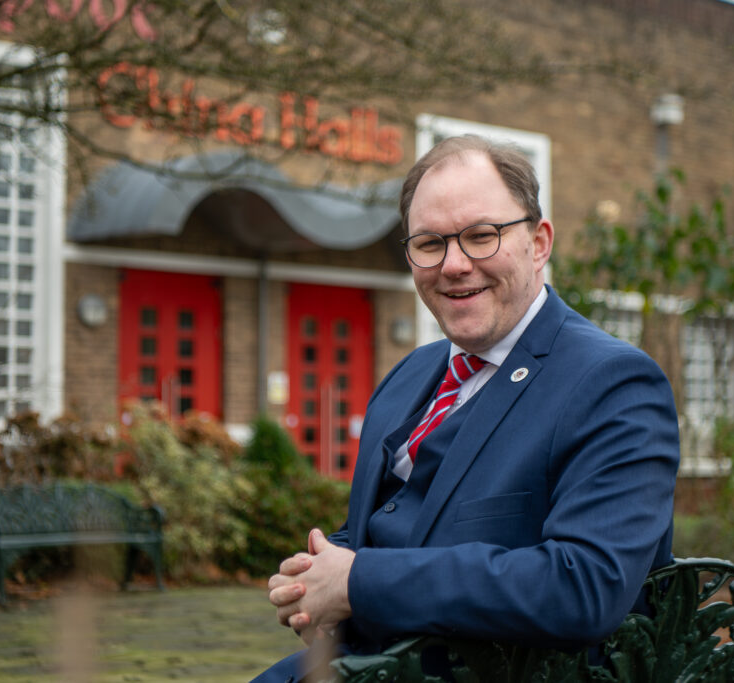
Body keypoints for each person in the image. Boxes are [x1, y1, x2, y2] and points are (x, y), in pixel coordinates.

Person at [252, 134, 681, 682]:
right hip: (370, 662)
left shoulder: (613, 383)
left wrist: (358, 582)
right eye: (430, 243)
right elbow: (390, 522)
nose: (453, 265)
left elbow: (584, 585)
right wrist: (316, 572)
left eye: (481, 236)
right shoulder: (409, 375)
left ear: (539, 243)